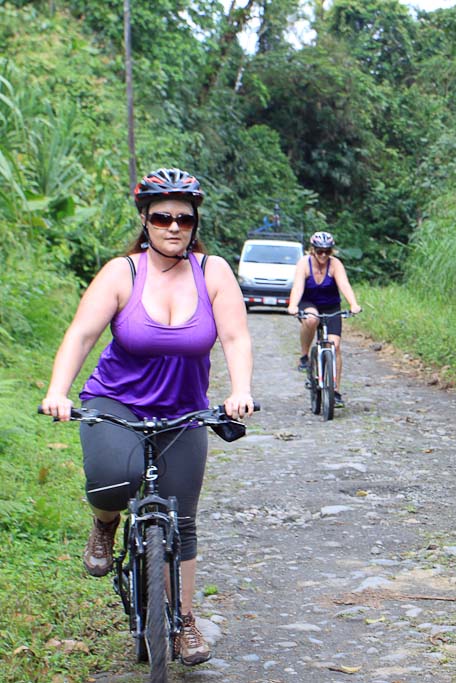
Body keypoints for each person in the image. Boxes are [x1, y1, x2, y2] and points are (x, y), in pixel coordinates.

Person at [39, 168, 255, 666]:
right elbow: (81, 335)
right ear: (145, 220)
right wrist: (57, 392)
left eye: (184, 218)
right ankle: (105, 522)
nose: (173, 227)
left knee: (183, 519)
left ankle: (184, 622)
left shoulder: (213, 272)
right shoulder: (123, 273)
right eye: (162, 217)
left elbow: (236, 337)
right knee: (113, 479)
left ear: (195, 222)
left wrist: (240, 390)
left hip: (183, 411)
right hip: (116, 402)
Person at [286, 231, 361, 400]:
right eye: (319, 251)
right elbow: (298, 286)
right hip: (309, 303)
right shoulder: (304, 263)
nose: (323, 255)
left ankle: (335, 391)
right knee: (311, 319)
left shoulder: (335, 264)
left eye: (327, 251)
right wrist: (293, 305)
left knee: (335, 346)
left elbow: (344, 285)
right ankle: (305, 356)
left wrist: (353, 304)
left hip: (330, 305)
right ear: (312, 250)